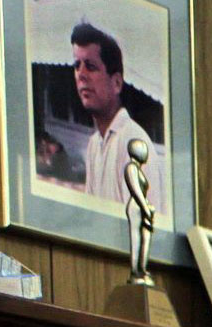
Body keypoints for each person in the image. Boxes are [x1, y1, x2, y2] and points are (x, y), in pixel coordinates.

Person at [71, 22, 153, 209]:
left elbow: (143, 226)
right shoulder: (94, 144)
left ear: (116, 83)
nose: (81, 75)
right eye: (77, 65)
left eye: (90, 66)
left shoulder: (133, 142)